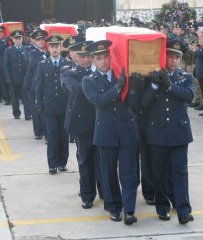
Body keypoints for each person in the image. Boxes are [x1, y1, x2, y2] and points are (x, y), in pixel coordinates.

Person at [82, 40, 139, 225]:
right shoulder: (88, 80)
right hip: (105, 132)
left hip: (127, 130)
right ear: (92, 59)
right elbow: (99, 101)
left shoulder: (120, 75)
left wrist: (134, 85)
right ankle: (114, 207)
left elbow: (133, 102)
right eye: (99, 58)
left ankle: (129, 210)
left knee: (128, 172)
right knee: (108, 173)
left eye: (106, 56)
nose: (104, 61)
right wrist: (117, 88)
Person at [141, 38, 194, 225]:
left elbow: (189, 96)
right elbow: (144, 103)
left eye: (177, 57)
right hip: (158, 132)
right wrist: (155, 85)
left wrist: (170, 86)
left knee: (180, 171)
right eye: (170, 55)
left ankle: (183, 210)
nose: (173, 60)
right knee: (159, 172)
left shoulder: (185, 77)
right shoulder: (152, 76)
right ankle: (162, 207)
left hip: (179, 132)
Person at [62, 40, 99, 209]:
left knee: (102, 160)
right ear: (76, 57)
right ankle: (87, 195)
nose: (87, 59)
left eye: (89, 56)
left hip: (100, 121)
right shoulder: (69, 72)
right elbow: (76, 90)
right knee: (85, 160)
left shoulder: (100, 71)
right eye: (83, 56)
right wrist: (96, 81)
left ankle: (105, 191)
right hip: (82, 122)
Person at [35, 35, 70, 174]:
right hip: (49, 106)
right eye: (52, 47)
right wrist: (38, 104)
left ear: (61, 48)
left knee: (63, 135)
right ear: (48, 48)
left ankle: (63, 162)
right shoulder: (42, 65)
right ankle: (52, 163)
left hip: (64, 106)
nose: (55, 49)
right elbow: (38, 86)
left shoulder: (67, 64)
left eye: (57, 46)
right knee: (51, 135)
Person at [25, 29, 48, 140]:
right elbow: (32, 64)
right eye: (39, 40)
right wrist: (44, 56)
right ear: (34, 41)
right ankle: (38, 131)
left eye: (43, 39)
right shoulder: (30, 51)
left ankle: (44, 129)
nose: (41, 42)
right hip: (33, 84)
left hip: (45, 84)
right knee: (35, 108)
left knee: (44, 108)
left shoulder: (48, 51)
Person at [4, 30, 29, 119]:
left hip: (24, 78)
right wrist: (8, 78)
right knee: (14, 98)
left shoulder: (27, 49)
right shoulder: (8, 50)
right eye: (16, 39)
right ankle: (16, 113)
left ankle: (27, 114)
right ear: (13, 40)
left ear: (22, 39)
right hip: (13, 78)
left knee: (26, 98)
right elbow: (6, 66)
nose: (18, 40)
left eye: (19, 38)